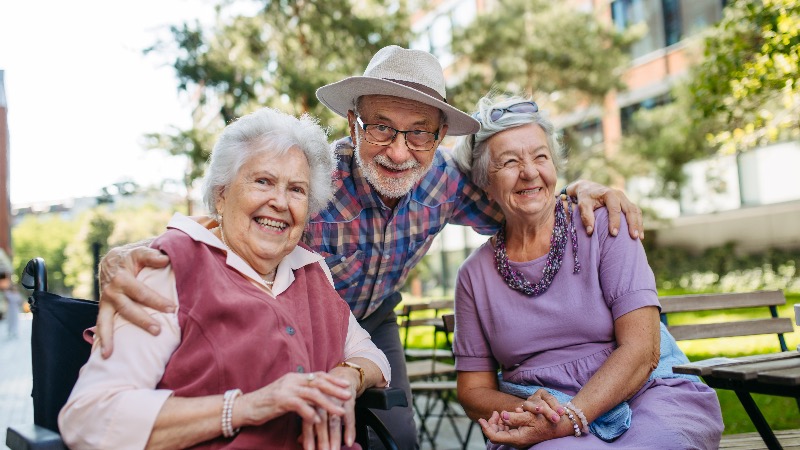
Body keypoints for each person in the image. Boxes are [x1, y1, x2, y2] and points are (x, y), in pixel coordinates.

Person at [95, 46, 646, 449]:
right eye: (381, 127)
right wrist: (134, 252)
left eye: (419, 133)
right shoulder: (310, 176)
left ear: (438, 138)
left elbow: (524, 196)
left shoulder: (447, 183)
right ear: (353, 125)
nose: (400, 151)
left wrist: (583, 191)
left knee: (398, 434)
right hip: (297, 315)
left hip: (374, 320)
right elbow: (231, 215)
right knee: (281, 429)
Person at [58, 107, 391, 450]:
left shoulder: (311, 270)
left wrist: (350, 376)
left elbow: (372, 354)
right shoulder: (169, 270)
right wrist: (247, 406)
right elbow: (90, 418)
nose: (279, 201)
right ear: (221, 194)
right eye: (263, 181)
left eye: (296, 190)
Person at [450, 94, 724, 449]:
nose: (530, 172)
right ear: (485, 182)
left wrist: (574, 416)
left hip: (646, 392)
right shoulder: (474, 276)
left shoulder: (605, 226)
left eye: (540, 156)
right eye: (509, 162)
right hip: (541, 413)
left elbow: (642, 349)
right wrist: (530, 411)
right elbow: (474, 391)